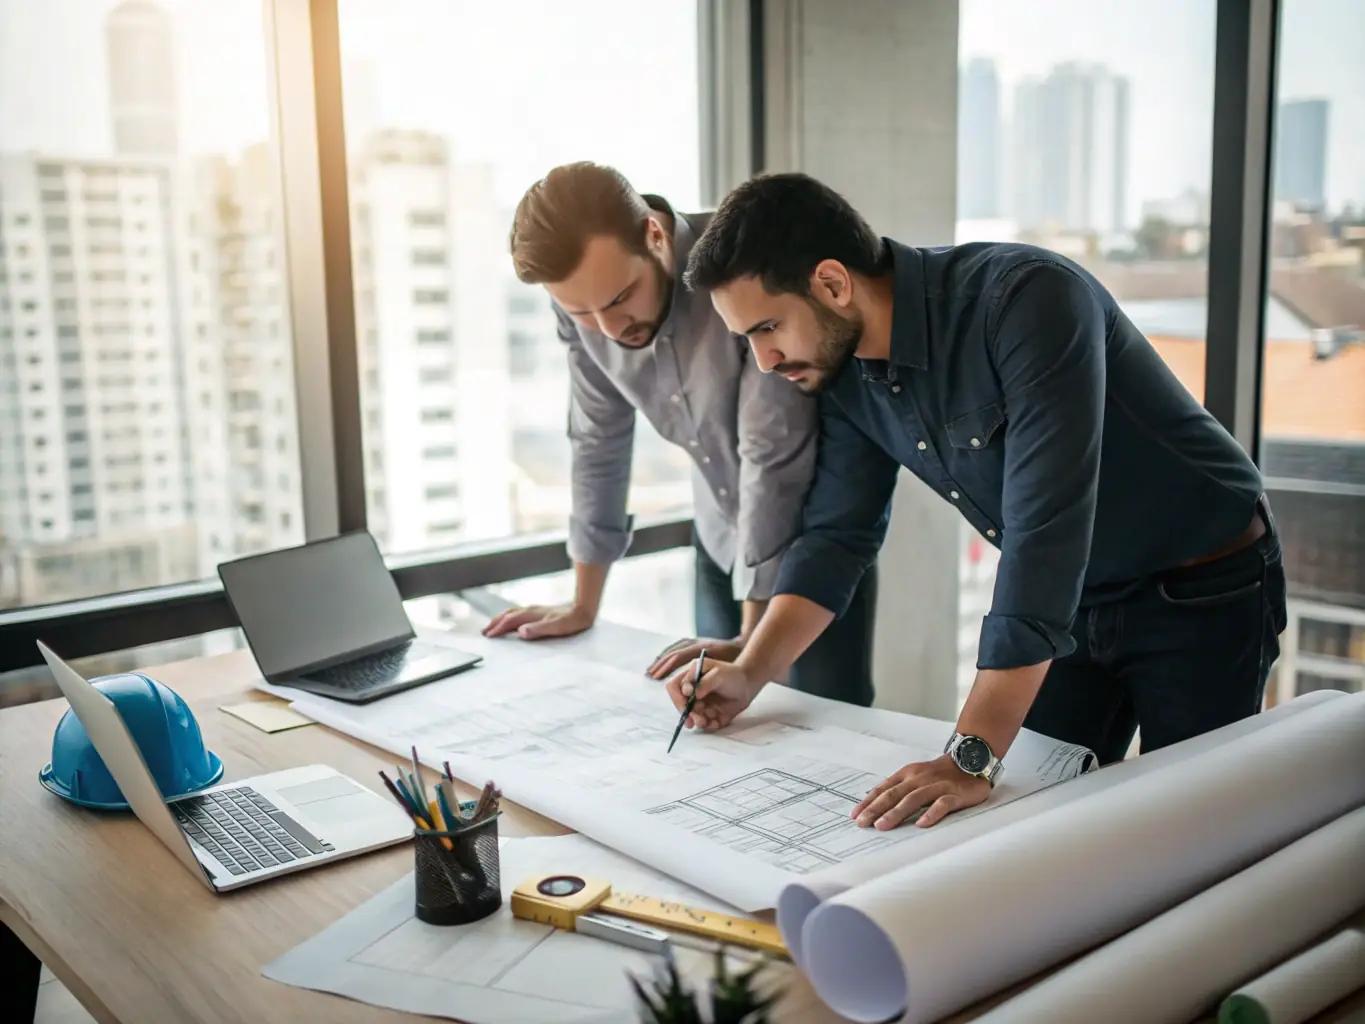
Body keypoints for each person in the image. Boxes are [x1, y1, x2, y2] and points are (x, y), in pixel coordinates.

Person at [667, 171, 1287, 830]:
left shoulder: (1027, 300)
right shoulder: (839, 370)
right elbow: (836, 536)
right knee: (1034, 823)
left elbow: (1044, 534)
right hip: (1070, 608)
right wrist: (751, 669)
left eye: (767, 328)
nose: (763, 361)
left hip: (1201, 587)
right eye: (746, 341)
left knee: (1188, 831)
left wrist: (969, 755)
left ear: (831, 283)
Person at [484, 161, 878, 706]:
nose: (609, 329)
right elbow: (598, 439)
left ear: (654, 234)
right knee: (713, 721)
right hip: (719, 539)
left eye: (621, 297)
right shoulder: (590, 316)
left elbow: (769, 452)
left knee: (829, 730)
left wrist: (751, 640)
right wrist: (582, 604)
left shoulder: (739, 265)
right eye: (581, 313)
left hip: (812, 552)